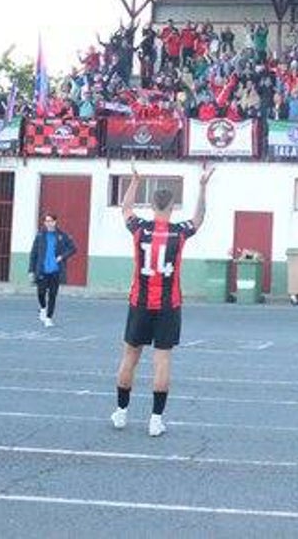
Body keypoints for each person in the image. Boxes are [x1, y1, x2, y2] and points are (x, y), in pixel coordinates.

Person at [111, 163, 213, 436]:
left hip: (139, 303)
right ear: (172, 207)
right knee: (162, 361)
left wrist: (134, 181)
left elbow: (126, 209)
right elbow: (199, 218)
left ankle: (121, 412)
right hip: (168, 305)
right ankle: (156, 420)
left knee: (129, 357)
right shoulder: (178, 233)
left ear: (153, 205)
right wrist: (202, 188)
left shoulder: (139, 229)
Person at [27, 213, 77, 327]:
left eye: (50, 221)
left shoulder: (61, 235)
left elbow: (73, 248)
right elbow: (33, 253)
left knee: (53, 295)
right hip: (42, 270)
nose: (48, 223)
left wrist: (62, 256)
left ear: (55, 222)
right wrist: (31, 270)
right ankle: (43, 308)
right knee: (40, 293)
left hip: (55, 271)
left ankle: (49, 318)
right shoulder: (40, 235)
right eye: (46, 221)